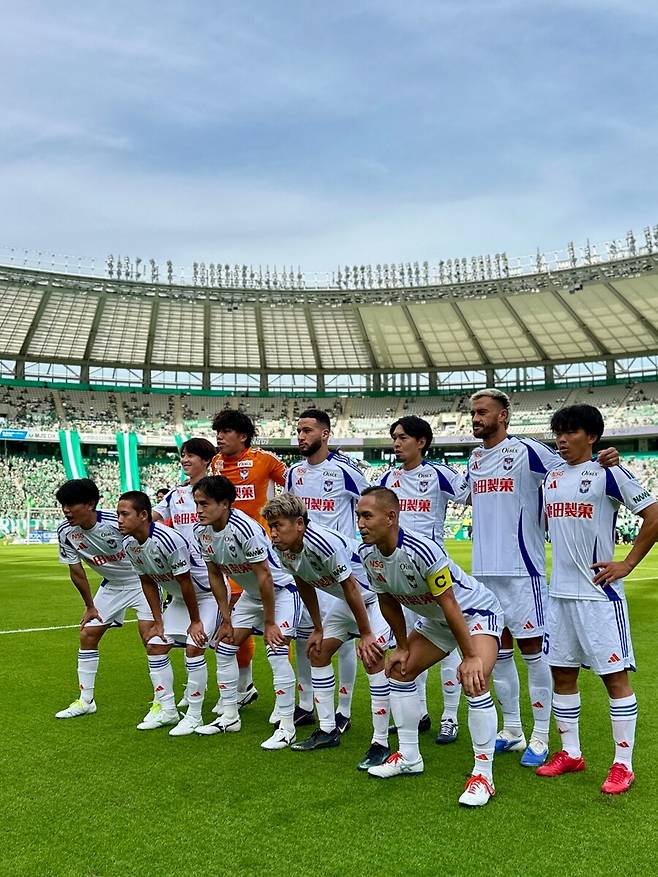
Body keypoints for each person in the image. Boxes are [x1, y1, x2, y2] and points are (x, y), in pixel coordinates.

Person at [466, 388, 618, 767]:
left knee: (534, 652)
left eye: (483, 412)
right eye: (473, 413)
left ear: (503, 416)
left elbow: (575, 466)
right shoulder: (474, 457)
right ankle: (513, 730)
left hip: (523, 571)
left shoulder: (528, 451)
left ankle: (539, 737)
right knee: (497, 652)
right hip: (484, 574)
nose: (475, 418)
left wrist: (607, 460)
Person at [537, 404, 658, 794]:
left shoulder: (609, 473)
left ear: (591, 436)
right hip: (560, 596)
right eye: (558, 432)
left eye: (571, 432)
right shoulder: (551, 476)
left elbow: (654, 514)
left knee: (614, 678)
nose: (562, 439)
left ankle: (623, 764)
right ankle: (571, 753)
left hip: (598, 596)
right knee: (563, 674)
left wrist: (628, 563)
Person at [356, 487, 503, 807]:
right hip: (437, 621)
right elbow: (387, 600)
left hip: (474, 614)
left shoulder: (421, 549)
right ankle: (409, 756)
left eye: (367, 516)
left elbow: (450, 603)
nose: (361, 523)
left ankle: (483, 775)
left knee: (475, 680)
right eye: (358, 516)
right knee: (399, 670)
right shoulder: (367, 554)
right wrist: (404, 645)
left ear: (391, 517)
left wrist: (471, 656)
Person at [262, 492, 391, 770]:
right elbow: (303, 581)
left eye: (278, 526)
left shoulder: (322, 542)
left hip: (379, 599)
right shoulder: (283, 548)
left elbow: (351, 587)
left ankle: (380, 742)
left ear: (299, 523)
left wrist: (366, 633)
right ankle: (328, 730)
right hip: (349, 601)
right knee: (317, 652)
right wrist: (319, 628)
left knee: (372, 657)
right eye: (271, 526)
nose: (273, 532)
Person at [192, 475, 300, 750]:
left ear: (225, 503)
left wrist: (269, 622)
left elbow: (264, 576)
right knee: (225, 646)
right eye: (196, 504)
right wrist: (226, 619)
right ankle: (229, 716)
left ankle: (287, 725)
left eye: (204, 504)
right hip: (252, 596)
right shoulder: (200, 532)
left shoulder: (245, 528)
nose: (199, 510)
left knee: (276, 649)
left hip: (281, 592)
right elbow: (215, 573)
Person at [378, 415, 467, 744]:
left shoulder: (440, 474)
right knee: (408, 644)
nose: (396, 443)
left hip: (433, 574)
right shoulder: (388, 477)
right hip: (400, 577)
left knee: (446, 645)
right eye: (394, 438)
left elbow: (473, 495)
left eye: (402, 437)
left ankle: (450, 716)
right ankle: (419, 713)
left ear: (421, 442)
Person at [285, 408, 370, 732]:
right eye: (299, 431)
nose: (301, 436)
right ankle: (307, 704)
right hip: (307, 569)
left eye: (307, 430)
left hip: (339, 569)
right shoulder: (294, 474)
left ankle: (343, 710)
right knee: (306, 636)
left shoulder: (346, 470)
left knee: (344, 640)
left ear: (325, 434)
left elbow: (369, 504)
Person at [118, 490, 224, 734]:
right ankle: (167, 710)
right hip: (179, 598)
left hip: (206, 596)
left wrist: (196, 622)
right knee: (155, 644)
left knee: (194, 647)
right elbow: (147, 581)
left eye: (125, 514)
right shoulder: (129, 543)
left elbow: (186, 581)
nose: (120, 520)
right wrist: (158, 620)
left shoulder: (167, 539)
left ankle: (195, 716)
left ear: (144, 515)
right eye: (118, 514)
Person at [54, 478, 154, 719]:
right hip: (112, 586)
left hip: (142, 582)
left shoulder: (116, 523)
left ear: (90, 504)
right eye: (63, 505)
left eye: (71, 504)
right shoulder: (66, 532)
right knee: (88, 633)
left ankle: (162, 702)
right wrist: (89, 606)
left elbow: (150, 536)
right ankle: (86, 700)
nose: (66, 510)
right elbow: (75, 570)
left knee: (151, 638)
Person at [210, 411, 287, 715]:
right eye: (217, 431)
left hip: (264, 551)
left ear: (242, 436)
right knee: (233, 622)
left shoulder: (265, 460)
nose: (219, 437)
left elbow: (293, 485)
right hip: (231, 554)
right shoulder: (216, 463)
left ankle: (288, 697)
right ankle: (245, 686)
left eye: (225, 431)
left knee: (277, 622)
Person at [152, 438, 223, 712]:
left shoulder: (216, 492)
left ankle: (228, 698)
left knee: (212, 644)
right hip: (181, 583)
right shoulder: (175, 495)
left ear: (206, 461)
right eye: (182, 455)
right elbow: (153, 518)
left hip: (209, 580)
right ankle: (173, 703)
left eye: (191, 455)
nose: (185, 460)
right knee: (165, 644)